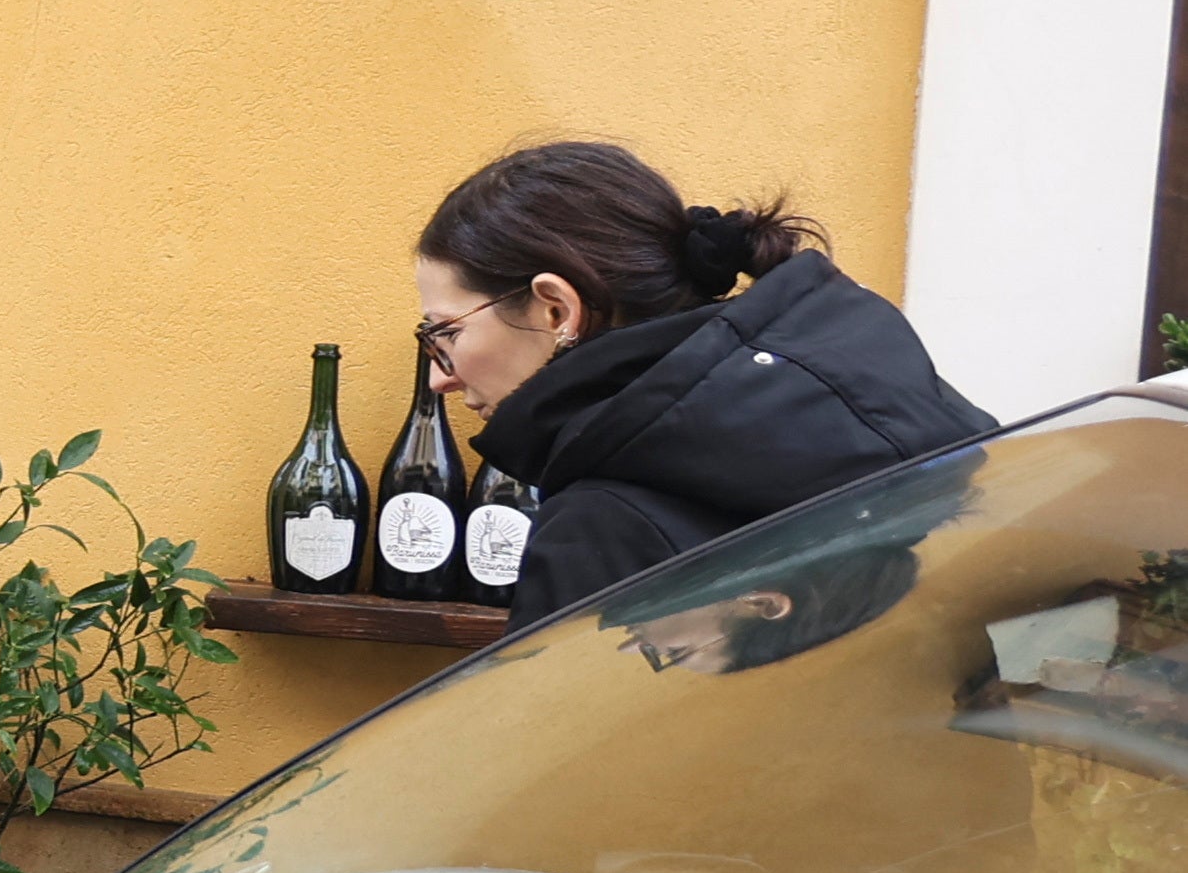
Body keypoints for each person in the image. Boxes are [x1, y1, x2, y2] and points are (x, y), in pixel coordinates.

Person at [414, 138, 993, 635]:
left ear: (557, 309)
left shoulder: (602, 521)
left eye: (445, 333)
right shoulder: (877, 428)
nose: (441, 375)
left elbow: (565, 754)